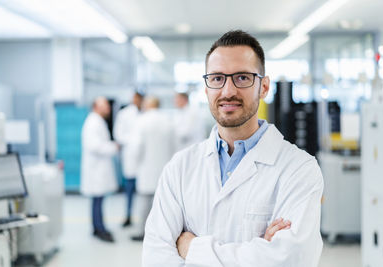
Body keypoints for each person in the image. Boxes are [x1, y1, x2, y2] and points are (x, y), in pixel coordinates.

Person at [142, 30, 324, 266]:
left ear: (264, 87)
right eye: (217, 78)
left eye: (242, 78)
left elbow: (291, 259)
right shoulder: (180, 167)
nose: (228, 91)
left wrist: (191, 248)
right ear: (206, 88)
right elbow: (155, 257)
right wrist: (259, 251)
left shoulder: (299, 169)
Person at [131, 97, 175, 241]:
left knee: (144, 202)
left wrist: (135, 163)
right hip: (164, 166)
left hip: (146, 168)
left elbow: (137, 147)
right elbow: (174, 146)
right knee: (163, 203)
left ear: (148, 105)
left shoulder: (142, 121)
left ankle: (141, 232)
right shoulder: (167, 121)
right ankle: (161, 233)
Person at [81, 97, 119, 243]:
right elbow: (94, 146)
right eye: (105, 106)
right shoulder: (93, 122)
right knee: (97, 199)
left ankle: (98, 227)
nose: (108, 109)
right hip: (96, 169)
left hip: (98, 168)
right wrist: (113, 147)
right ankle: (99, 229)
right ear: (96, 106)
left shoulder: (97, 121)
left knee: (98, 200)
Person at [113, 92, 144, 227]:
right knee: (130, 189)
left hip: (144, 157)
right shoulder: (124, 114)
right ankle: (128, 215)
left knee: (146, 192)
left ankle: (145, 219)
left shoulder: (146, 113)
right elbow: (118, 134)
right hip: (130, 156)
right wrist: (132, 142)